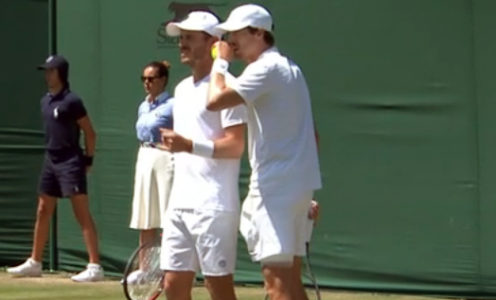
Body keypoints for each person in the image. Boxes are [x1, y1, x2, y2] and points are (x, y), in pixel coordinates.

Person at [206, 4, 322, 300]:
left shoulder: (266, 68)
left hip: (276, 189)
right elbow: (313, 136)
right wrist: (302, 191)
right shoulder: (291, 70)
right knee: (291, 283)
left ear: (258, 33)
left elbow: (215, 99)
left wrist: (220, 63)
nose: (230, 42)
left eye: (236, 34)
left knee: (277, 285)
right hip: (293, 186)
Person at [159, 11, 247, 300]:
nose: (182, 44)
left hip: (214, 205)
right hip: (179, 203)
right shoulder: (182, 89)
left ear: (213, 43)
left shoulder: (230, 88)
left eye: (189, 38)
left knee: (218, 288)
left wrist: (189, 146)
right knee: (172, 285)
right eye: (181, 38)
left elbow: (235, 146)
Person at [7, 55, 104, 282]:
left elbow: (90, 132)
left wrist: (88, 160)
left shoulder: (72, 101)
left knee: (81, 212)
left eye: (51, 71)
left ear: (60, 73)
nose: (47, 75)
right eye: (46, 71)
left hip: (71, 160)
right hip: (50, 160)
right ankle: (35, 262)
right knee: (43, 209)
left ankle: (95, 266)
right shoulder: (45, 101)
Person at [126, 61, 174, 283]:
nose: (147, 83)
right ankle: (145, 270)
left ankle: (169, 269)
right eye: (144, 79)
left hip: (165, 159)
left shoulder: (173, 105)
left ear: (162, 80)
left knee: (167, 216)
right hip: (144, 157)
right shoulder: (142, 106)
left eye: (151, 79)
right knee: (145, 215)